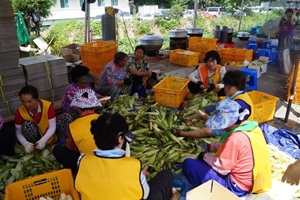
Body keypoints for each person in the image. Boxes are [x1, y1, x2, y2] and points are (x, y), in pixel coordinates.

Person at [182, 100, 272, 198]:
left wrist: (204, 156)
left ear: (230, 123)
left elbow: (222, 168)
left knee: (189, 164)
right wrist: (210, 146)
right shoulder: (252, 127)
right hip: (255, 181)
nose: (223, 128)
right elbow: (234, 149)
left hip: (237, 187)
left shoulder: (235, 138)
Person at [75, 112, 174, 200]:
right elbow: (145, 195)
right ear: (120, 139)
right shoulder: (133, 167)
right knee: (166, 176)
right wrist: (141, 175)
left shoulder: (82, 160)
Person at [174, 70, 254, 138]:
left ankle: (182, 133)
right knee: (209, 108)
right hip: (229, 119)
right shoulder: (236, 94)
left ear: (238, 87)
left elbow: (228, 127)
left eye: (229, 86)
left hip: (234, 129)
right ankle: (189, 118)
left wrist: (208, 118)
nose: (226, 88)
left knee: (207, 131)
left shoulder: (237, 105)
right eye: (225, 85)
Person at [53, 88, 102, 174]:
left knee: (57, 150)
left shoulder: (73, 126)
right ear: (94, 107)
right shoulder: (104, 118)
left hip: (89, 166)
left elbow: (73, 148)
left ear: (78, 108)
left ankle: (78, 172)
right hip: (110, 161)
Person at [15, 85, 72, 153]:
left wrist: (43, 140)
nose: (26, 105)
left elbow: (52, 126)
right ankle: (35, 148)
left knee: (66, 117)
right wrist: (25, 143)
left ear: (37, 99)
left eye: (30, 101)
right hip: (36, 139)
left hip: (51, 135)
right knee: (27, 125)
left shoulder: (47, 106)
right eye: (23, 101)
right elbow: (18, 132)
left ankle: (61, 144)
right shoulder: (19, 112)